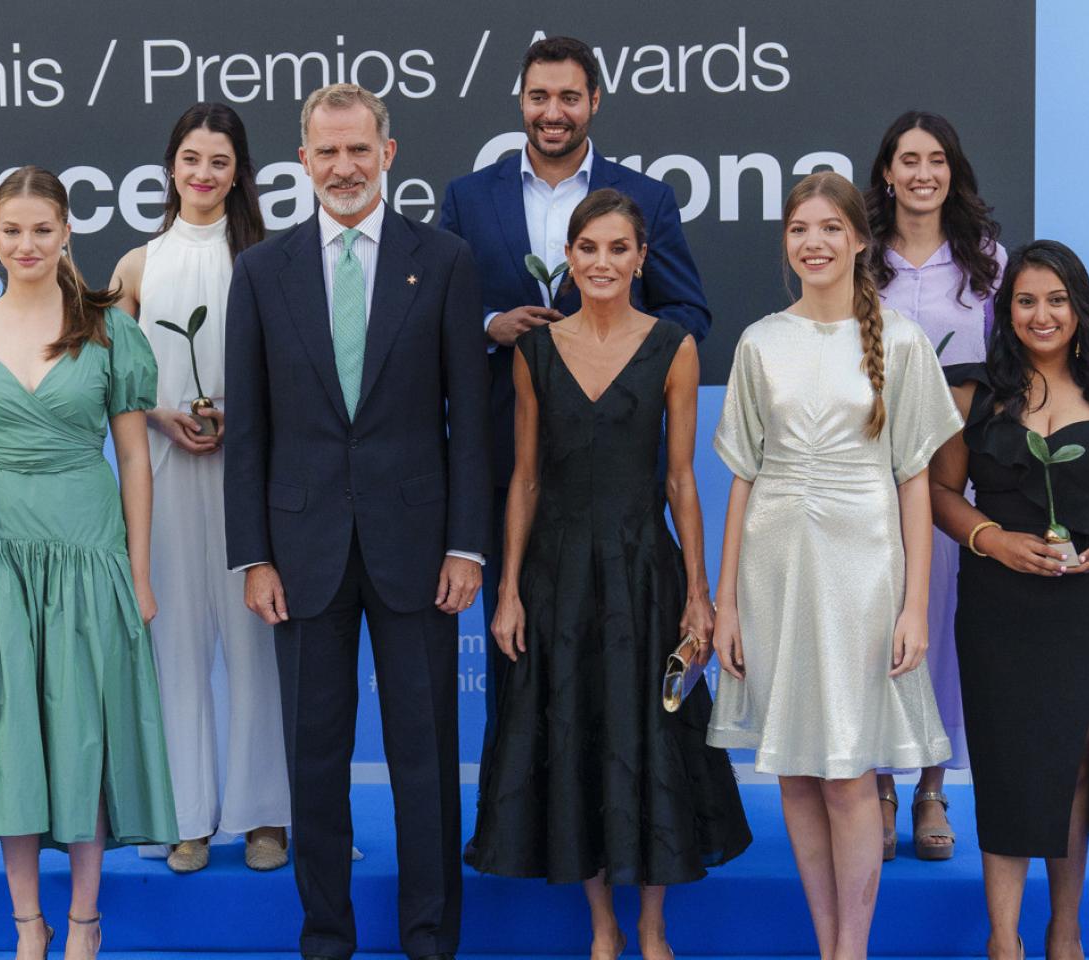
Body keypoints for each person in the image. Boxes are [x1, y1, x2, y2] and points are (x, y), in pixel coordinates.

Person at [224, 83, 490, 960]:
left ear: (389, 152)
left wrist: (465, 543)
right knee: (314, 761)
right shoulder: (262, 270)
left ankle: (430, 939)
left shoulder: (444, 259)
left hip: (418, 549)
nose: (343, 167)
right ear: (302, 162)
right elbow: (250, 428)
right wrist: (252, 557)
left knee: (425, 762)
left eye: (359, 149)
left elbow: (469, 417)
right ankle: (326, 938)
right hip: (299, 555)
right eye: (326, 152)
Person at [471, 190, 750, 960]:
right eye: (588, 248)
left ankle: (653, 929)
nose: (602, 262)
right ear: (569, 257)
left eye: (618, 249)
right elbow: (524, 480)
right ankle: (603, 928)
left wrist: (699, 593)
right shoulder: (534, 352)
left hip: (643, 573)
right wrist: (508, 590)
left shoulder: (674, 346)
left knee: (651, 736)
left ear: (641, 259)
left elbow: (682, 482)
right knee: (576, 736)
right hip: (556, 577)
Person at [438, 36, 710, 796]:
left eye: (568, 97)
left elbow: (690, 312)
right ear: (520, 102)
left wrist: (607, 339)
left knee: (627, 667)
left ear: (594, 102)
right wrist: (495, 326)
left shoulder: (645, 197)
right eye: (538, 97)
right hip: (511, 460)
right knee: (520, 654)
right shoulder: (467, 196)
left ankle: (630, 816)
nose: (552, 112)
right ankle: (528, 822)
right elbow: (432, 318)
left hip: (620, 477)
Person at [0, 166, 178, 960]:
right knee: (13, 740)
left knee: (84, 731)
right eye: (12, 230)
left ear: (67, 233)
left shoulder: (109, 331)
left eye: (42, 229)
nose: (26, 244)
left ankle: (85, 923)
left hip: (86, 552)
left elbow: (135, 460)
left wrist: (138, 573)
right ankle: (28, 924)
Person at [707, 172, 961, 960]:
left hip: (864, 572)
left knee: (849, 773)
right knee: (795, 774)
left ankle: (854, 949)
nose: (812, 242)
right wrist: (725, 606)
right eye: (798, 229)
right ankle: (828, 947)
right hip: (773, 570)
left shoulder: (905, 342)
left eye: (828, 228)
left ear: (858, 238)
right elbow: (742, 478)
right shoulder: (759, 341)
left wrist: (915, 604)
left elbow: (915, 479)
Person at [930, 240, 1089, 960]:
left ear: (1079, 308)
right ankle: (1005, 941)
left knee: (1075, 764)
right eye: (1026, 300)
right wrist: (994, 540)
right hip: (999, 607)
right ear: (1007, 311)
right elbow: (940, 493)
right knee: (1006, 766)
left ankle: (1066, 933)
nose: (1042, 314)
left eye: (1056, 299)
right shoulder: (974, 393)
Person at [111, 102, 291, 874]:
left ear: (240, 172)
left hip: (254, 477)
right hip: (164, 478)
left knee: (257, 647)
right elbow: (110, 378)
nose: (204, 175)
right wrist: (159, 416)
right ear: (170, 167)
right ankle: (185, 815)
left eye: (220, 162)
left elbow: (298, 374)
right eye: (191, 160)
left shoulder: (273, 258)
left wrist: (237, 419)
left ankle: (263, 817)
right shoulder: (135, 266)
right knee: (174, 645)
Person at [865, 109, 1008, 860]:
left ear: (953, 171)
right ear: (886, 172)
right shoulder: (861, 258)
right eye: (908, 159)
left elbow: (1006, 369)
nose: (923, 173)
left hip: (951, 481)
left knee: (938, 629)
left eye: (937, 159)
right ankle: (878, 786)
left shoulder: (986, 260)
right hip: (863, 476)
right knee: (871, 629)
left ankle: (928, 786)